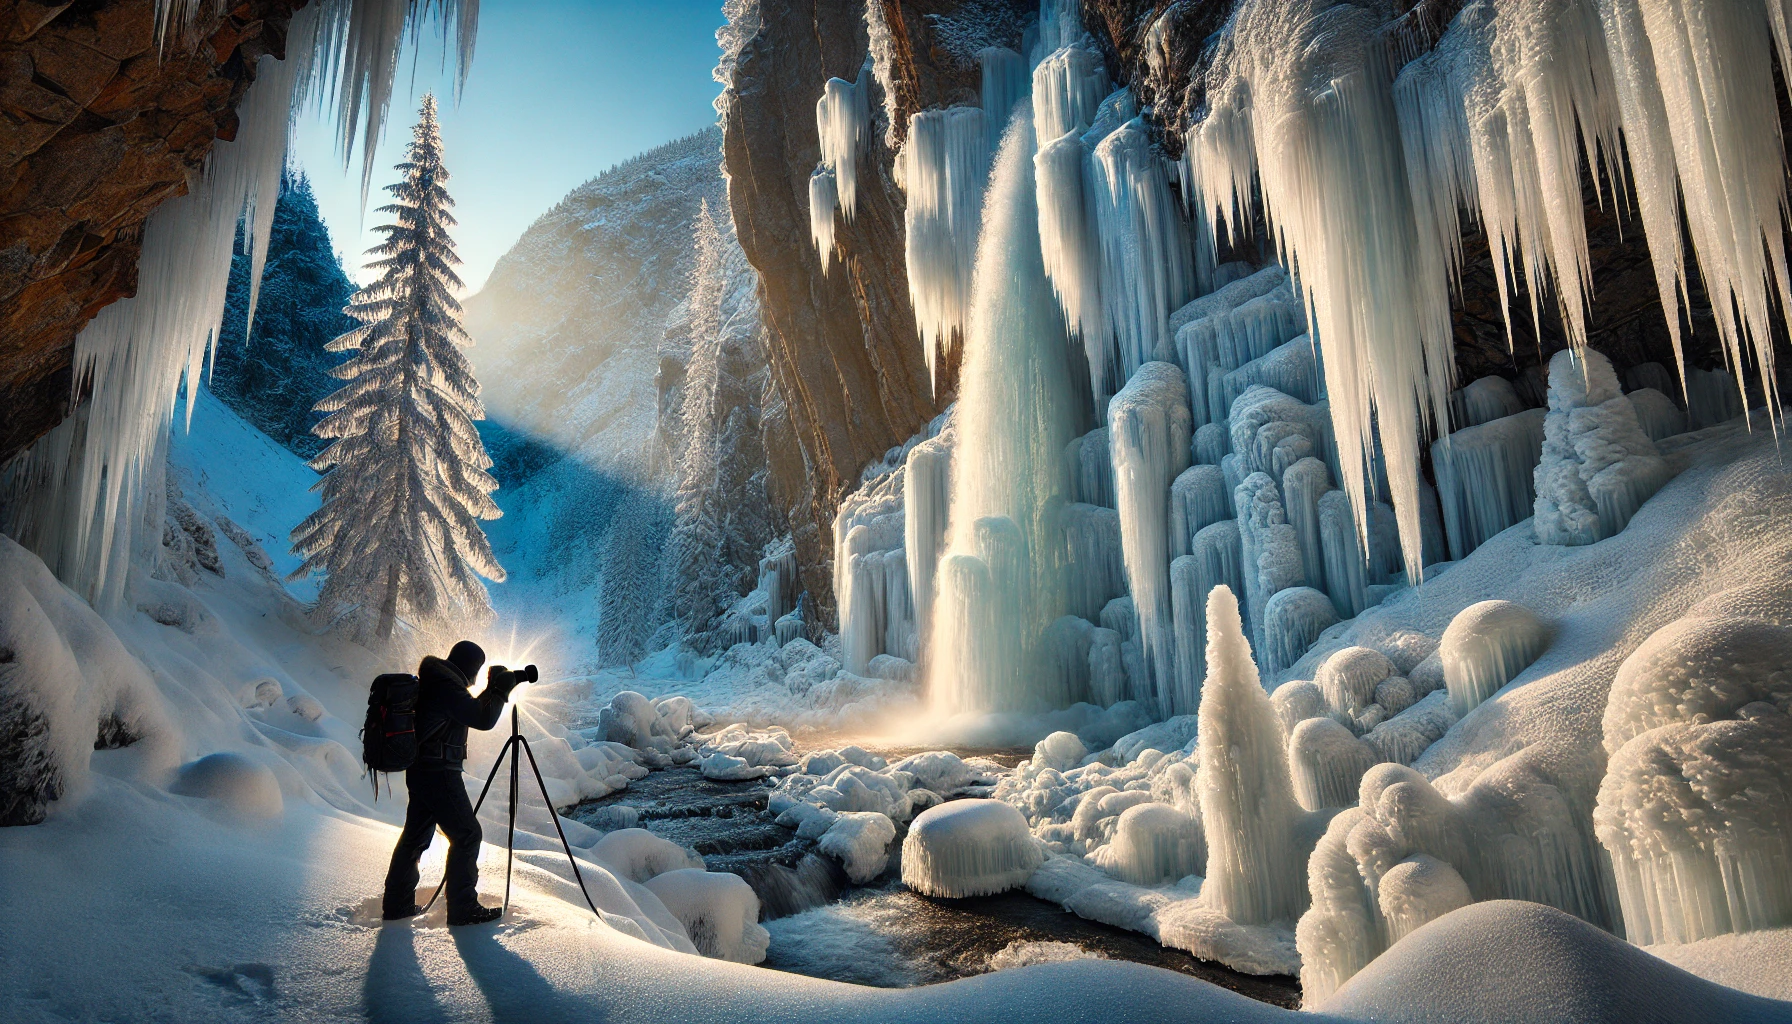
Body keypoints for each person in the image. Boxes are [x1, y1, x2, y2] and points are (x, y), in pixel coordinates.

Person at [381, 640, 520, 925]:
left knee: (415, 837)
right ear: (471, 667)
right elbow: (481, 718)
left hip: (424, 770)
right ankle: (463, 908)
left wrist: (493, 690)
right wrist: (501, 690)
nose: (476, 677)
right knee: (467, 835)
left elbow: (468, 708)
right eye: (477, 670)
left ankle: (397, 904)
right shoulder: (445, 684)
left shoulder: (438, 680)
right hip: (438, 771)